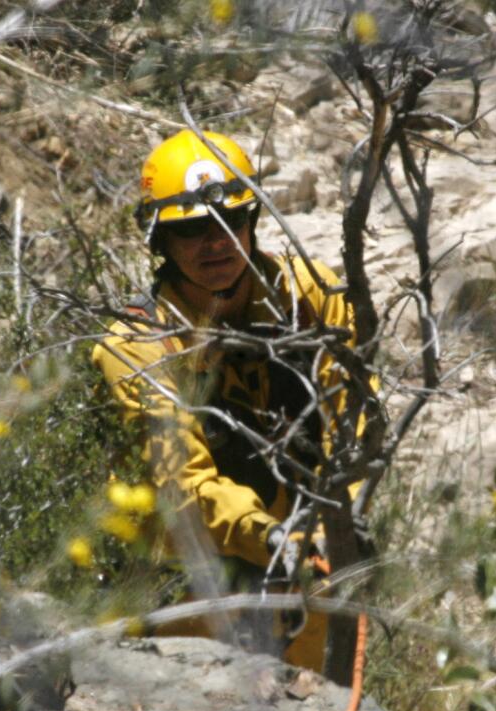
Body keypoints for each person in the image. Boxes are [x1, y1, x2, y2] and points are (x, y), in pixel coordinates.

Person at [92, 129, 365, 671]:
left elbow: (355, 411)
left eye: (229, 223)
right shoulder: (136, 345)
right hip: (191, 587)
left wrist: (345, 513)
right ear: (159, 241)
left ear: (251, 222)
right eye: (191, 230)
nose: (215, 243)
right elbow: (182, 483)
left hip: (303, 572)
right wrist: (268, 537)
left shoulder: (310, 298)